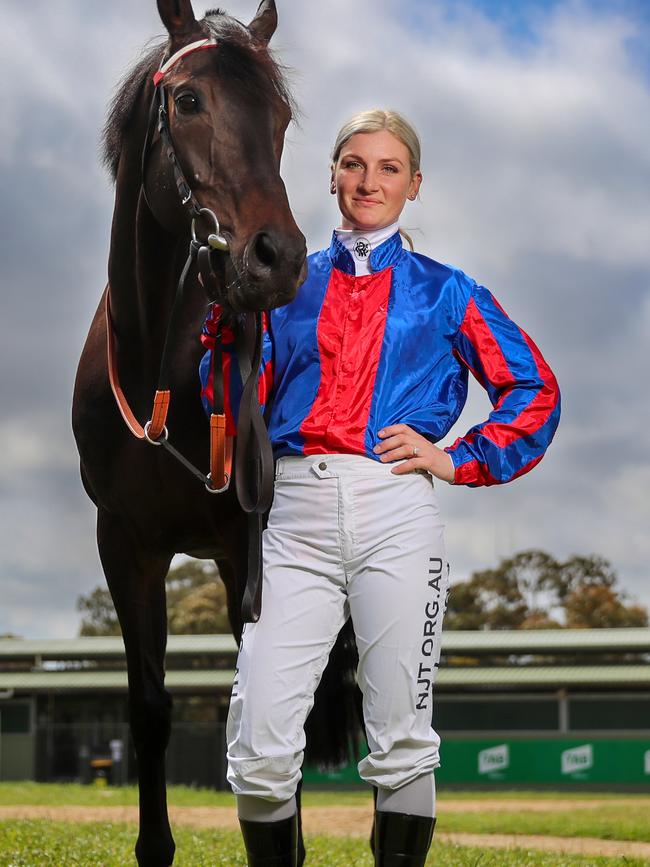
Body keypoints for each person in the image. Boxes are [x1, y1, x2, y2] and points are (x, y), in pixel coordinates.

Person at [199, 108, 560, 867]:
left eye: (389, 168)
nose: (369, 181)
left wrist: (456, 457)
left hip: (396, 509)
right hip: (292, 517)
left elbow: (534, 391)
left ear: (414, 185)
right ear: (331, 175)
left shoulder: (448, 291)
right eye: (354, 164)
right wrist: (222, 334)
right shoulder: (282, 283)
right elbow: (227, 405)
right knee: (260, 745)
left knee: (401, 741)